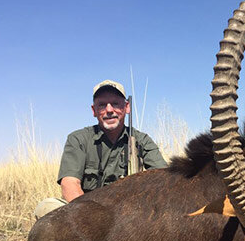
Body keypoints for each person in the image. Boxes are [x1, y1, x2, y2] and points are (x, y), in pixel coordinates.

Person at [34, 79, 167, 219]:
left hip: (130, 215)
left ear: (127, 107)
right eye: (102, 105)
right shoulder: (78, 139)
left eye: (115, 104)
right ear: (94, 110)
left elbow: (164, 180)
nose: (109, 110)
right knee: (46, 207)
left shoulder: (142, 140)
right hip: (88, 213)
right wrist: (92, 217)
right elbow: (70, 183)